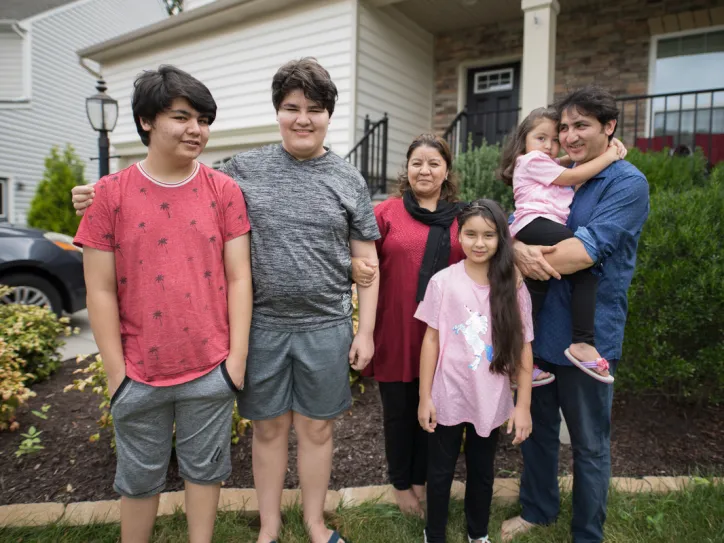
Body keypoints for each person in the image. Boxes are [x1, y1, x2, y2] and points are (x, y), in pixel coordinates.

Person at [73, 58, 378, 543]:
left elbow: (367, 258)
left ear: (328, 116)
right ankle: (270, 524)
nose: (303, 118)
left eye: (314, 109)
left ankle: (316, 523)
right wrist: (100, 193)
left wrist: (365, 327)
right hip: (263, 326)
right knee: (269, 428)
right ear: (278, 112)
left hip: (326, 325)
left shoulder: (348, 179)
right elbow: (174, 180)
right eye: (292, 107)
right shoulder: (242, 170)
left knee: (317, 431)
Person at [73, 65, 252, 543]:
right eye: (182, 116)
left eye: (204, 119)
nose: (197, 129)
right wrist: (116, 374)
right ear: (147, 120)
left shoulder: (224, 191)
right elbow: (100, 289)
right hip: (138, 373)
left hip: (210, 368)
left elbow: (239, 277)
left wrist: (233, 363)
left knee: (206, 473)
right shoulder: (107, 196)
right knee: (138, 479)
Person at [501, 86, 649, 543]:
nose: (568, 136)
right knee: (539, 430)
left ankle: (587, 533)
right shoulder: (558, 174)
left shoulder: (626, 183)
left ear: (609, 128)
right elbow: (512, 226)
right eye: (563, 127)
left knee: (588, 444)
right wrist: (514, 248)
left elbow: (586, 251)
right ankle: (538, 510)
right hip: (540, 329)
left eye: (580, 125)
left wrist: (521, 258)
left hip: (588, 335)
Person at [415, 199, 534, 543]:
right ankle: (434, 533)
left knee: (482, 471)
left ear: (501, 239)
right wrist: (425, 397)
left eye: (489, 235)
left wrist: (522, 405)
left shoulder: (513, 287)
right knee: (439, 472)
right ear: (459, 235)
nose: (479, 243)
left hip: (491, 395)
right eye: (471, 234)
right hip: (448, 394)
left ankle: (477, 534)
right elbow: (431, 341)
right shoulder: (443, 282)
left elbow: (525, 347)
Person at [499, 107, 627, 383]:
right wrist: (610, 155)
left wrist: (602, 150)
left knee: (535, 289)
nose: (549, 146)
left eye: (554, 140)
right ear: (525, 142)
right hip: (535, 222)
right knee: (586, 268)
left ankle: (516, 360)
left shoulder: (545, 161)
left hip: (534, 226)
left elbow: (567, 160)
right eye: (541, 138)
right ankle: (582, 343)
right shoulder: (531, 160)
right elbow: (572, 175)